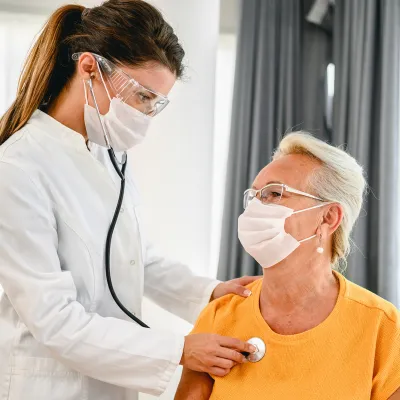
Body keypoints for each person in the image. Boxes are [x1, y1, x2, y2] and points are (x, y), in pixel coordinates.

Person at [0, 2, 259, 399]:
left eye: (155, 102)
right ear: (89, 68)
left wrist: (208, 292)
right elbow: (54, 320)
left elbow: (135, 258)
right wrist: (180, 349)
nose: (145, 114)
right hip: (47, 385)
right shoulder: (17, 168)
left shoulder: (108, 153)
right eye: (141, 95)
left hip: (109, 382)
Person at [175, 132, 400, 400]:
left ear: (328, 217)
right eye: (255, 195)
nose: (257, 207)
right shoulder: (219, 316)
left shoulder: (380, 325)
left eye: (273, 193)